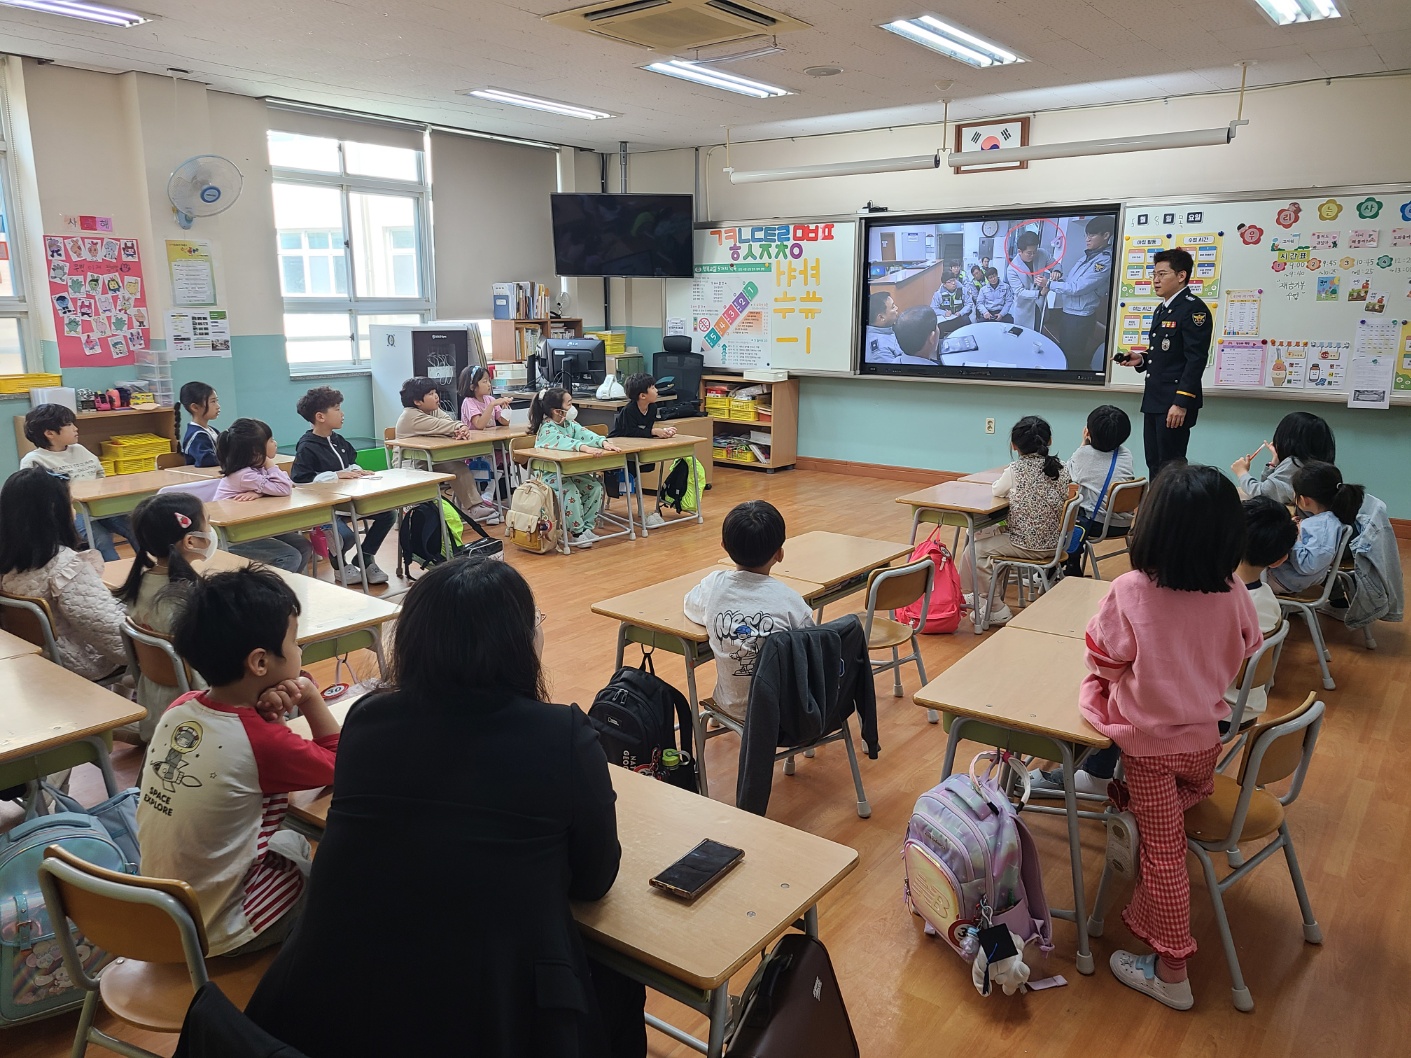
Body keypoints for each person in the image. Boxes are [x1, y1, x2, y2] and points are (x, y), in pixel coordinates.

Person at [245, 558, 645, 1058]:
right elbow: (594, 879)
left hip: (332, 1004)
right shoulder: (561, 735)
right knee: (619, 981)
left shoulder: (368, 720)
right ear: (518, 643)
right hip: (490, 1019)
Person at [1079, 463, 1261, 1010]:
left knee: (1163, 855)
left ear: (1150, 526)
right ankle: (1132, 805)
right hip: (1207, 746)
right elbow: (1247, 651)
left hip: (1152, 752)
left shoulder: (1130, 590)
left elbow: (1104, 661)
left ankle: (1172, 970)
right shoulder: (1234, 590)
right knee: (1168, 812)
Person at [1034, 491, 1294, 798]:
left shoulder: (1212, 594)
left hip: (1202, 708)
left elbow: (1111, 660)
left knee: (1105, 688)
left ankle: (1094, 774)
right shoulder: (1253, 598)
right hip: (1229, 704)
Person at [136, 567, 340, 957]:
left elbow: (250, 747)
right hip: (217, 929)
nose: (300, 651)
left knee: (291, 840)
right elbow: (340, 763)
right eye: (294, 642)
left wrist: (275, 713)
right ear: (260, 662)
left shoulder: (181, 709)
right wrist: (310, 696)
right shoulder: (263, 744)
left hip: (163, 909)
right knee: (340, 886)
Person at [684, 500, 813, 724]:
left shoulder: (713, 586)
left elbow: (690, 605)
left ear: (724, 546)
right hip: (785, 712)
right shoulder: (791, 602)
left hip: (731, 707)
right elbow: (812, 650)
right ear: (780, 554)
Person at [0, 467, 125, 681]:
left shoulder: (8, 563)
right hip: (82, 663)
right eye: (71, 501)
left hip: (38, 659)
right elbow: (115, 640)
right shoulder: (65, 567)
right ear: (54, 510)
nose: (74, 508)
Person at [112, 492, 213, 743]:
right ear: (190, 541)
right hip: (201, 709)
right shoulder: (189, 599)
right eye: (208, 522)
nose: (211, 531)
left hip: (156, 704)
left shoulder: (141, 583)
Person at [960, 416, 1072, 626]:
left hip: (1027, 545)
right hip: (1055, 543)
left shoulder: (1015, 471)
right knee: (988, 541)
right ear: (1049, 442)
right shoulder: (1062, 468)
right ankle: (977, 594)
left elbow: (997, 490)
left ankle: (994, 606)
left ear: (1014, 445)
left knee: (974, 550)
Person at [1123, 248, 1212, 479]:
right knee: (1154, 463)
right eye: (1154, 274)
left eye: (1162, 274)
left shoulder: (1194, 310)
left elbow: (1195, 359)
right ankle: (1157, 512)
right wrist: (1141, 359)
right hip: (1154, 398)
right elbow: (1166, 354)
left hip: (1174, 403)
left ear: (1181, 276)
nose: (1155, 280)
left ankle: (1171, 514)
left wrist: (1181, 402)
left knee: (1171, 467)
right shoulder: (1163, 309)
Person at [291, 386, 394, 586]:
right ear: (320, 416)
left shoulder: (339, 441)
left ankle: (364, 557)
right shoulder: (307, 446)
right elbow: (300, 481)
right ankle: (339, 567)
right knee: (345, 537)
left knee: (388, 514)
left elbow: (349, 462)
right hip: (325, 508)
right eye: (337, 409)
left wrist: (357, 470)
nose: (342, 413)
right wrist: (336, 475)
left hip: (348, 502)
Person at [19, 403, 132, 561]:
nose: (75, 428)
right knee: (102, 539)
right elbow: (36, 496)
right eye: (69, 424)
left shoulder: (79, 449)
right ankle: (117, 578)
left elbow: (99, 473)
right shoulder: (34, 460)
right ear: (50, 433)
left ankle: (147, 568)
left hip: (99, 503)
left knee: (134, 528)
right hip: (71, 512)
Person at [214, 418, 314, 576]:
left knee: (303, 546)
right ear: (256, 450)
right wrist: (269, 463)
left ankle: (285, 589)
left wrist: (260, 492)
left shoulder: (255, 470)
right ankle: (270, 592)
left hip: (252, 528)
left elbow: (288, 484)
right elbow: (284, 487)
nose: (275, 443)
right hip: (233, 536)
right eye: (271, 440)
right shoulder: (244, 474)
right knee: (290, 556)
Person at [528, 386, 620, 549]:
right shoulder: (547, 428)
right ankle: (576, 533)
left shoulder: (569, 423)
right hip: (549, 475)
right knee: (570, 491)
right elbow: (566, 442)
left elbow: (585, 434)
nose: (572, 407)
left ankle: (586, 527)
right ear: (557, 411)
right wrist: (585, 448)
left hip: (568, 472)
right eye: (569, 404)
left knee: (595, 487)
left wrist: (603, 442)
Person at [393, 376, 488, 517]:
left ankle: (474, 507)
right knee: (423, 482)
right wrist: (460, 426)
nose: (436, 396)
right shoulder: (411, 416)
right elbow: (443, 426)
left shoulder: (432, 409)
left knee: (459, 468)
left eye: (435, 392)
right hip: (410, 462)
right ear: (417, 401)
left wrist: (460, 429)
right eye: (430, 394)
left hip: (431, 458)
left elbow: (448, 422)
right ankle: (413, 514)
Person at [1267, 461, 1364, 595]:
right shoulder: (1330, 520)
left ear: (1304, 500)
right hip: (1295, 578)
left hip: (1285, 580)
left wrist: (1294, 535)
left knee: (1246, 567)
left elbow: (1308, 565)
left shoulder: (1321, 526)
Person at [1063, 404, 1136, 577]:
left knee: (1062, 513)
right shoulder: (1126, 454)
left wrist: (1083, 444)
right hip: (1122, 525)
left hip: (1097, 525)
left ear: (1088, 432)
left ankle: (1058, 564)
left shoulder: (1083, 455)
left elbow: (1065, 473)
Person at [1039, 216, 1114, 370]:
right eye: (1086, 235)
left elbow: (1077, 288)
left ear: (1106, 235)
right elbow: (1071, 281)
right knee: (1064, 349)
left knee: (1072, 355)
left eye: (1092, 235)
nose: (1087, 239)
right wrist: (1056, 279)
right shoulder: (1087, 256)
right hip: (1069, 311)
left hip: (1080, 317)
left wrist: (1050, 284)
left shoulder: (1104, 261)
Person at [609, 372, 678, 529]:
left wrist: (664, 431)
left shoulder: (652, 408)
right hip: (620, 450)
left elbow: (645, 430)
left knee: (648, 464)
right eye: (652, 388)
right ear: (642, 395)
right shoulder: (629, 411)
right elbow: (630, 432)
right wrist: (653, 432)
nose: (656, 390)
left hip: (640, 448)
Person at [1230, 411, 1336, 505]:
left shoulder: (1294, 464)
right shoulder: (1313, 465)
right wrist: (1274, 462)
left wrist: (1242, 473)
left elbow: (1262, 494)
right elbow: (1269, 488)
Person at [1006, 230, 1051, 331]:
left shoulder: (1042, 253)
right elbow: (1019, 291)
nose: (1033, 255)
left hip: (1039, 305)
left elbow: (1055, 264)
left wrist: (1056, 271)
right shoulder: (1012, 268)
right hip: (1024, 307)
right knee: (1023, 334)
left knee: (1039, 330)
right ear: (1019, 251)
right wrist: (1040, 293)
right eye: (1029, 253)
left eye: (1035, 252)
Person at [178, 381, 221, 468]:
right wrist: (232, 460)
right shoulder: (196, 436)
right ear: (195, 407)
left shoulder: (213, 431)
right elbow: (206, 459)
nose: (218, 406)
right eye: (213, 402)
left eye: (217, 401)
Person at [864, 290, 905, 363]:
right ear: (881, 317)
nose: (897, 308)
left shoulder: (887, 328)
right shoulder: (880, 351)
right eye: (893, 307)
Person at [929, 274, 973, 339]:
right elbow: (933, 308)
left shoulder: (963, 290)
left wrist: (961, 312)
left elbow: (969, 303)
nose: (953, 283)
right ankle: (940, 345)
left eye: (954, 280)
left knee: (966, 320)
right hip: (946, 319)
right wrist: (943, 313)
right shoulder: (938, 294)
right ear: (944, 284)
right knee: (938, 327)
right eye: (950, 281)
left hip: (959, 317)